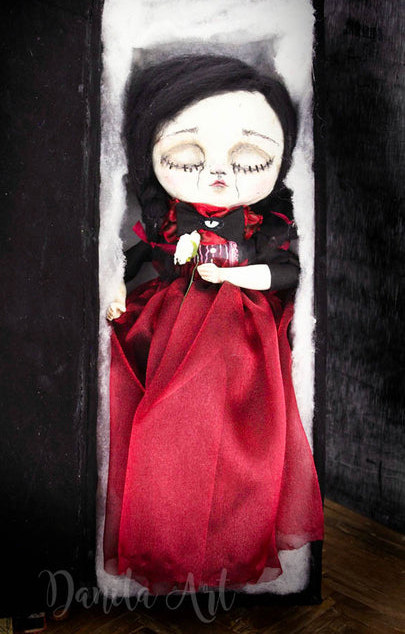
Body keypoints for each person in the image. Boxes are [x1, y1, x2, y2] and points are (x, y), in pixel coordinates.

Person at [103, 55, 324, 593]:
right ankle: (166, 528)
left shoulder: (262, 223)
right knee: (164, 424)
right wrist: (116, 283)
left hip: (240, 327)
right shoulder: (165, 217)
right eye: (186, 157)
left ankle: (229, 534)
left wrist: (235, 275)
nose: (218, 174)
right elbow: (139, 260)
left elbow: (286, 271)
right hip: (167, 319)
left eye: (249, 159)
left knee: (239, 433)